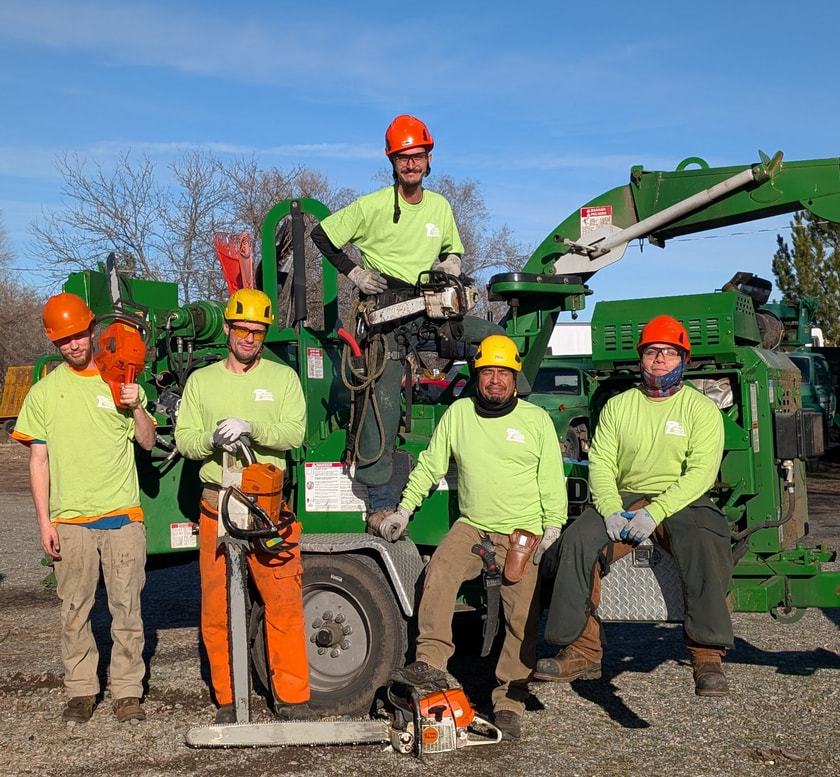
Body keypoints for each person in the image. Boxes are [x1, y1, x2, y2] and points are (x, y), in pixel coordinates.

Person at [309, 114, 503, 534]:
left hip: (431, 309)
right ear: (392, 161)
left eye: (417, 157)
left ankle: (478, 422)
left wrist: (450, 263)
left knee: (495, 345)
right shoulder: (374, 205)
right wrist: (355, 273)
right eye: (403, 158)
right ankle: (379, 503)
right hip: (386, 313)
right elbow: (322, 236)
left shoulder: (440, 207)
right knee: (381, 398)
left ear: (429, 159)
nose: (411, 165)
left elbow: (454, 250)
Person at [534, 315, 735, 696]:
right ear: (640, 357)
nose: (660, 359)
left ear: (684, 360)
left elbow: (700, 474)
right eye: (652, 351)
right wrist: (610, 508)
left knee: (704, 539)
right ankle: (580, 649)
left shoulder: (701, 410)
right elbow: (603, 464)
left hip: (680, 498)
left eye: (669, 352)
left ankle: (706, 655)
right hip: (625, 497)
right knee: (577, 540)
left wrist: (655, 513)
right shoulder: (618, 407)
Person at [383, 335, 567, 741]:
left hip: (523, 531)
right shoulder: (459, 414)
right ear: (477, 376)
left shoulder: (536, 420)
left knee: (522, 615)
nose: (496, 380)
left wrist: (553, 525)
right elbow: (431, 465)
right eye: (488, 372)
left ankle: (509, 700)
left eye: (504, 373)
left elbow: (552, 479)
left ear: (515, 377)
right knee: (439, 575)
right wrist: (404, 509)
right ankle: (431, 668)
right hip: (473, 525)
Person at [13, 293, 155, 724]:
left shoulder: (121, 379)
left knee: (126, 609)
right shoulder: (43, 393)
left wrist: (136, 408)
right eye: (65, 340)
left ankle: (128, 691)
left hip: (122, 516)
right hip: (70, 521)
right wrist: (44, 523)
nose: (75, 345)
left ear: (93, 330)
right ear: (53, 342)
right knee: (74, 610)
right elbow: (39, 461)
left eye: (79, 335)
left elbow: (147, 442)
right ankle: (81, 689)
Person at [174, 288, 314, 723]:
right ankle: (229, 699)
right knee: (218, 607)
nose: (250, 338)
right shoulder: (202, 381)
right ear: (229, 330)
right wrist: (210, 440)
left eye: (258, 331)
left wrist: (252, 427)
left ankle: (292, 698)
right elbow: (184, 441)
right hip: (218, 504)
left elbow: (295, 433)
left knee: (284, 601)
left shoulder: (283, 377)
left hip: (267, 505)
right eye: (242, 329)